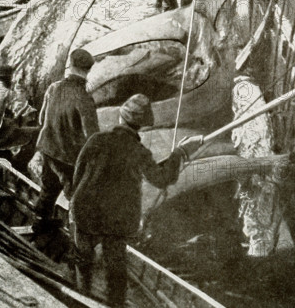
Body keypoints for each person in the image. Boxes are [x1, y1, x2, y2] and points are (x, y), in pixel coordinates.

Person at [70, 93, 203, 308]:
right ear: (141, 126)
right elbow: (162, 179)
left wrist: (75, 200)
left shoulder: (96, 140)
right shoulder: (139, 152)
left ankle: (79, 299)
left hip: (84, 210)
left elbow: (78, 172)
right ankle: (115, 304)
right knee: (116, 272)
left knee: (82, 261)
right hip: (115, 221)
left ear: (121, 118)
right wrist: (180, 153)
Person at [32, 48, 99, 231]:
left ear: (70, 64)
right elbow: (92, 136)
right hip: (67, 157)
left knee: (49, 187)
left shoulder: (53, 88)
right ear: (88, 70)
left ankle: (40, 221)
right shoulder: (84, 98)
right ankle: (78, 240)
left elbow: (41, 119)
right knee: (77, 197)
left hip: (47, 147)